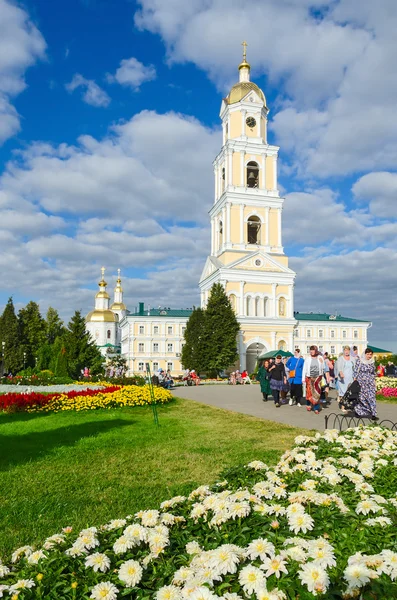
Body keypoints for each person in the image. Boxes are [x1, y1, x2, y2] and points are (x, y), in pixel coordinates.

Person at [354, 348, 377, 420]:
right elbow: (355, 371)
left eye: (371, 354)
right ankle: (358, 411)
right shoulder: (360, 361)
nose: (369, 356)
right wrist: (355, 379)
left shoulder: (372, 362)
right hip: (361, 382)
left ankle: (373, 414)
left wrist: (374, 382)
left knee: (371, 397)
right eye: (368, 354)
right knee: (361, 398)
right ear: (365, 354)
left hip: (370, 382)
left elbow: (373, 373)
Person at [302, 346, 325, 414]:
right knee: (309, 393)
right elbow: (304, 369)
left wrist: (322, 362)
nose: (311, 351)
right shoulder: (308, 359)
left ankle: (316, 408)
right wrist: (303, 378)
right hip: (309, 377)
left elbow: (323, 368)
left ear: (316, 351)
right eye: (310, 350)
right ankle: (309, 404)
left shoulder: (320, 358)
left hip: (318, 378)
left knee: (317, 393)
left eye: (313, 350)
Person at [336, 346, 357, 411]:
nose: (346, 352)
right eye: (345, 350)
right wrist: (341, 372)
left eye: (348, 350)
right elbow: (339, 367)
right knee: (343, 392)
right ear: (343, 351)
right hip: (343, 379)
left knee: (350, 392)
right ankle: (343, 406)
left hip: (350, 377)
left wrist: (355, 377)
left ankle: (350, 406)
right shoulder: (340, 359)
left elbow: (355, 368)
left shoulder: (353, 358)